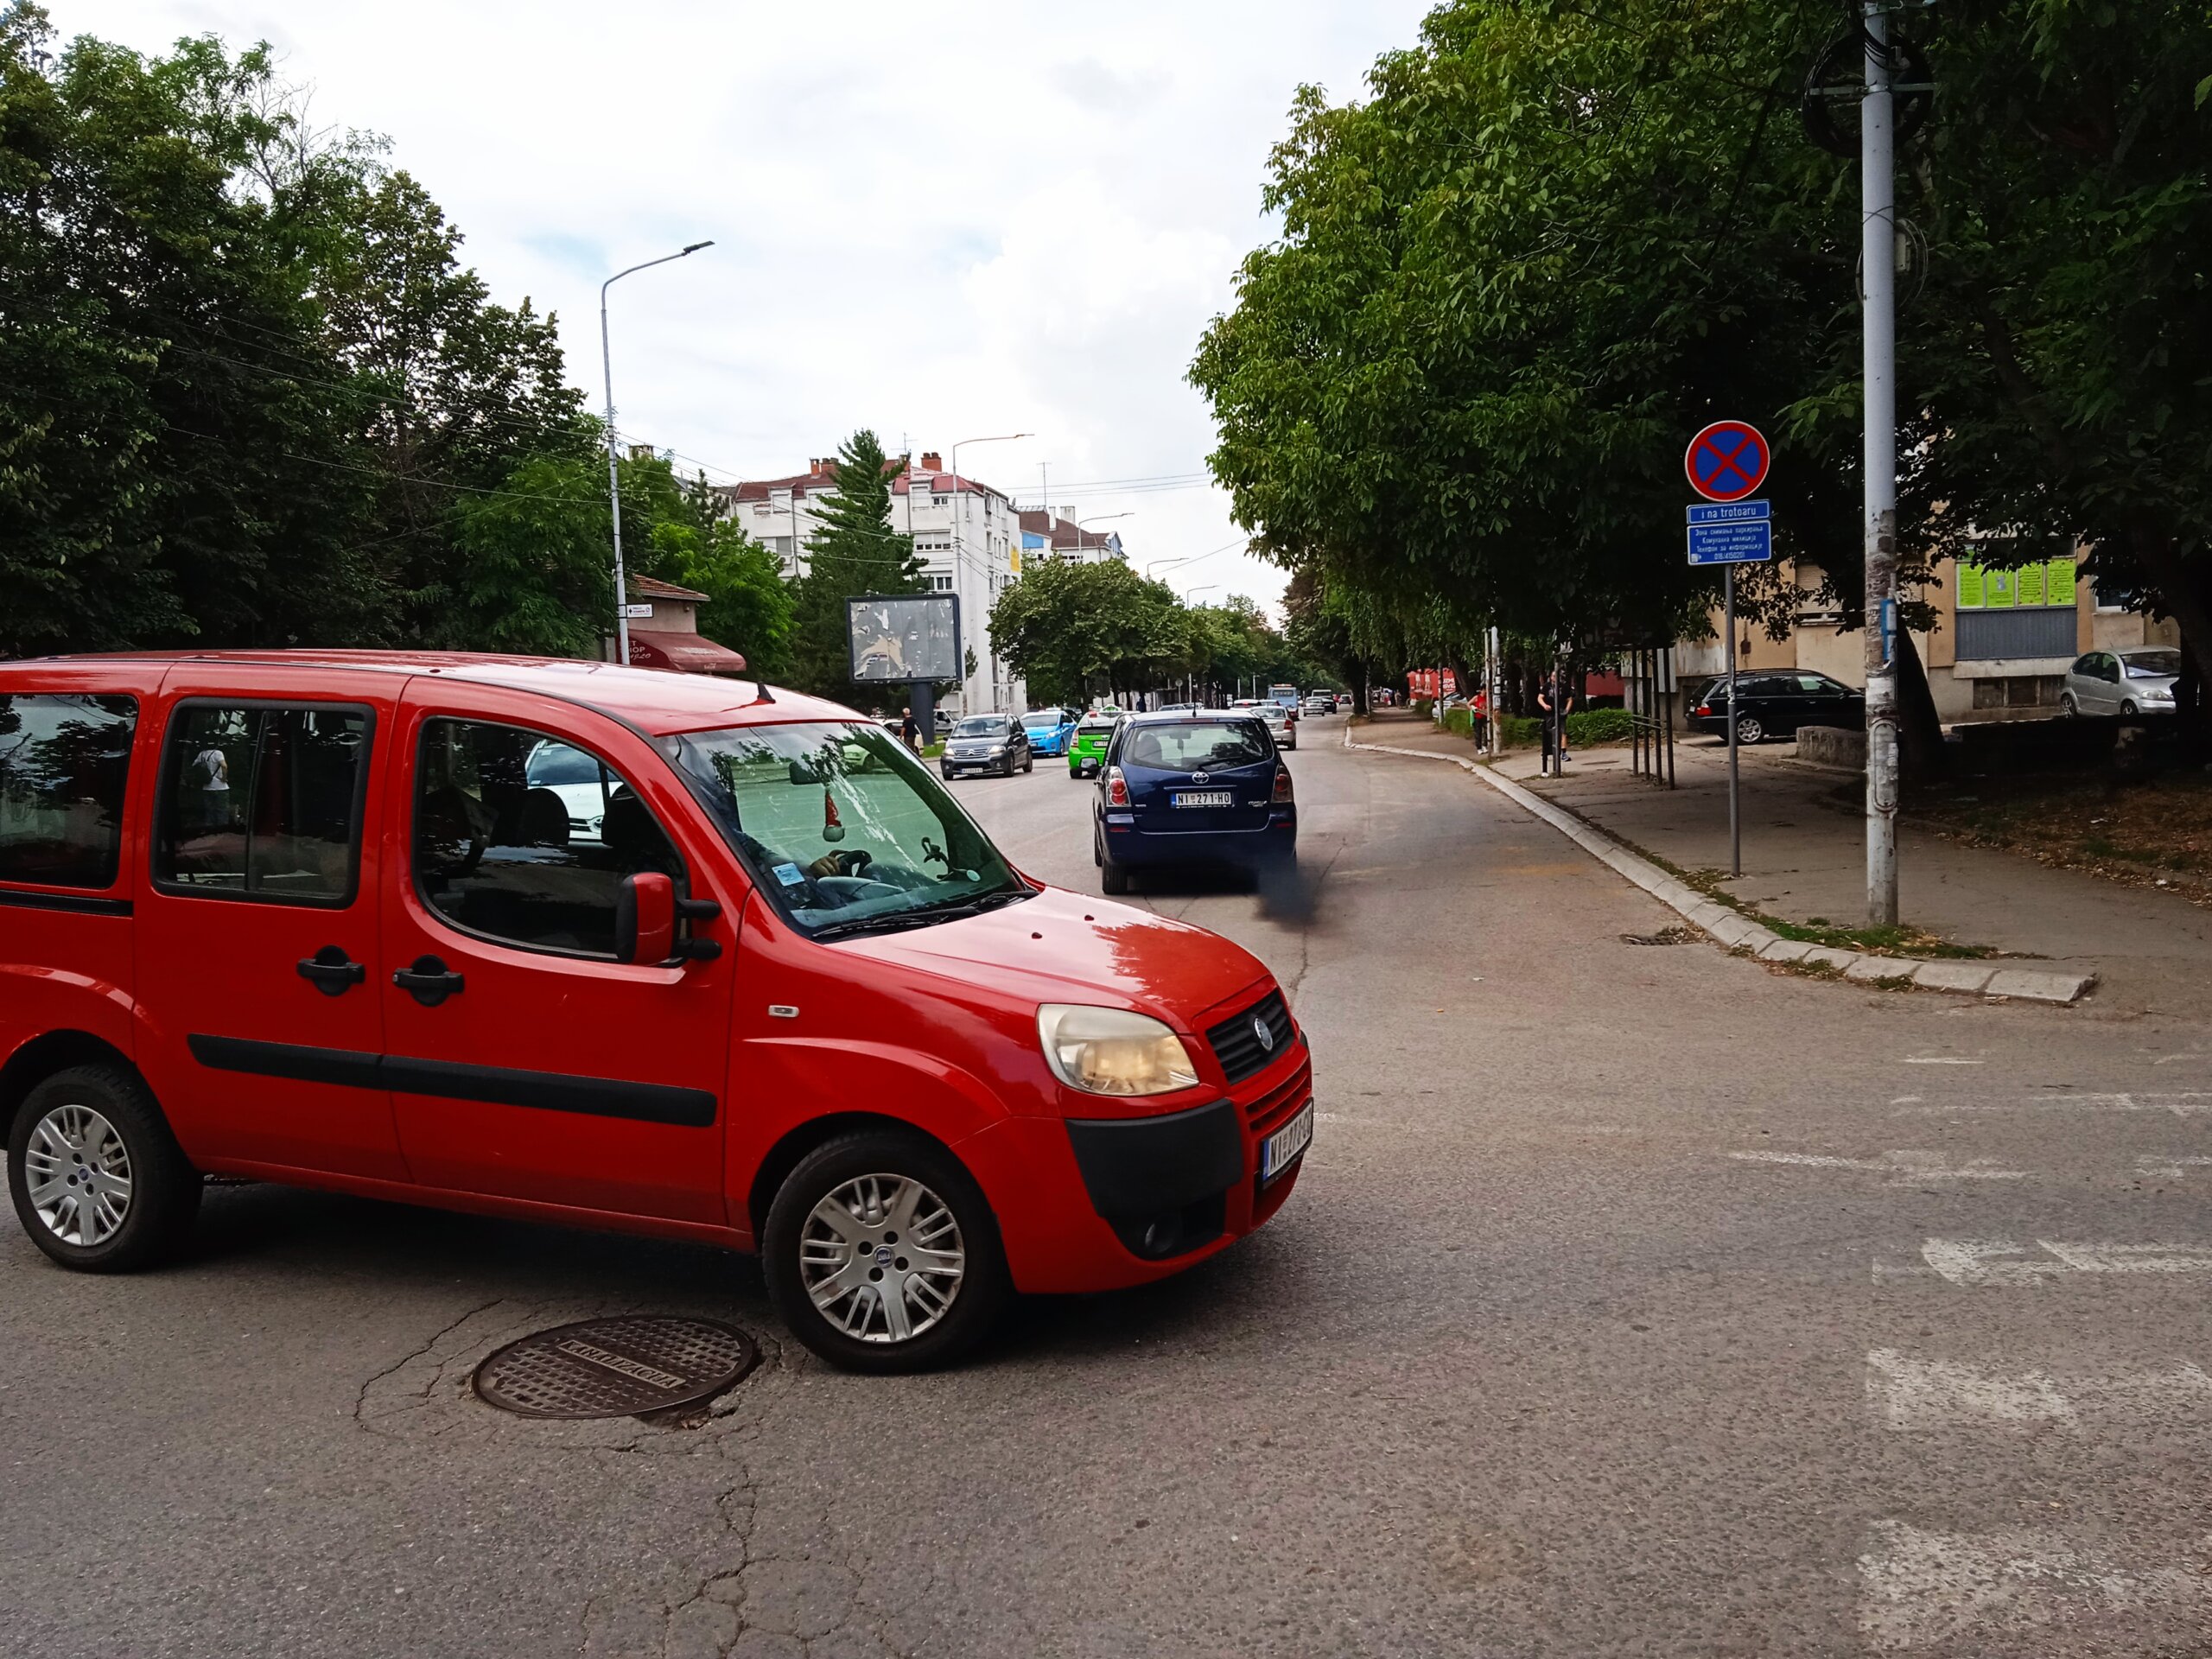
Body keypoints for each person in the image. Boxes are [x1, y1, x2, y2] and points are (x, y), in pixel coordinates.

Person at [1537, 667, 1575, 768]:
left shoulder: (1564, 687)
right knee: (1549, 732)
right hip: (1550, 714)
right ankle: (1549, 750)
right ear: (1551, 677)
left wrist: (1567, 709)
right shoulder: (1547, 687)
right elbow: (1540, 698)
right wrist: (1545, 705)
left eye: (1557, 676)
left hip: (1560, 713)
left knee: (1562, 732)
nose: (1555, 678)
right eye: (1554, 676)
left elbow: (1570, 699)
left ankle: (1563, 753)